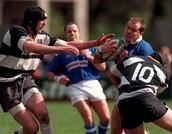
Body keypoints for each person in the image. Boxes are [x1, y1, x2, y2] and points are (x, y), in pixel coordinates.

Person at [0, 6, 114, 134]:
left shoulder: (42, 36)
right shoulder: (16, 31)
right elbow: (33, 47)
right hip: (6, 84)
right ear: (31, 21)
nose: (45, 23)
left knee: (43, 114)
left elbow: (68, 44)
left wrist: (95, 43)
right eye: (42, 20)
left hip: (25, 79)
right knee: (32, 128)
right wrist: (61, 50)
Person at [47, 22, 111, 134]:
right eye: (69, 31)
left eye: (75, 31)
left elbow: (102, 67)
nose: (72, 33)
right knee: (88, 117)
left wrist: (89, 56)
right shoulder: (62, 52)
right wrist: (58, 79)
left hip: (92, 83)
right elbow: (50, 72)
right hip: (75, 86)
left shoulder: (90, 48)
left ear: (79, 32)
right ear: (65, 35)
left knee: (106, 119)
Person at [109, 51, 172, 134]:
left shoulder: (131, 59)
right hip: (145, 99)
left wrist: (119, 87)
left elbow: (111, 72)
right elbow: (157, 92)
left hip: (125, 103)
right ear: (163, 65)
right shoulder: (162, 71)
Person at [105, 17, 154, 134]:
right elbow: (99, 61)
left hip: (137, 93)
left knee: (128, 129)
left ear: (140, 33)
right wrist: (102, 50)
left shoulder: (145, 49)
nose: (128, 31)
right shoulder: (119, 44)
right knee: (117, 130)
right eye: (127, 28)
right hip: (124, 91)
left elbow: (150, 74)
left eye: (133, 30)